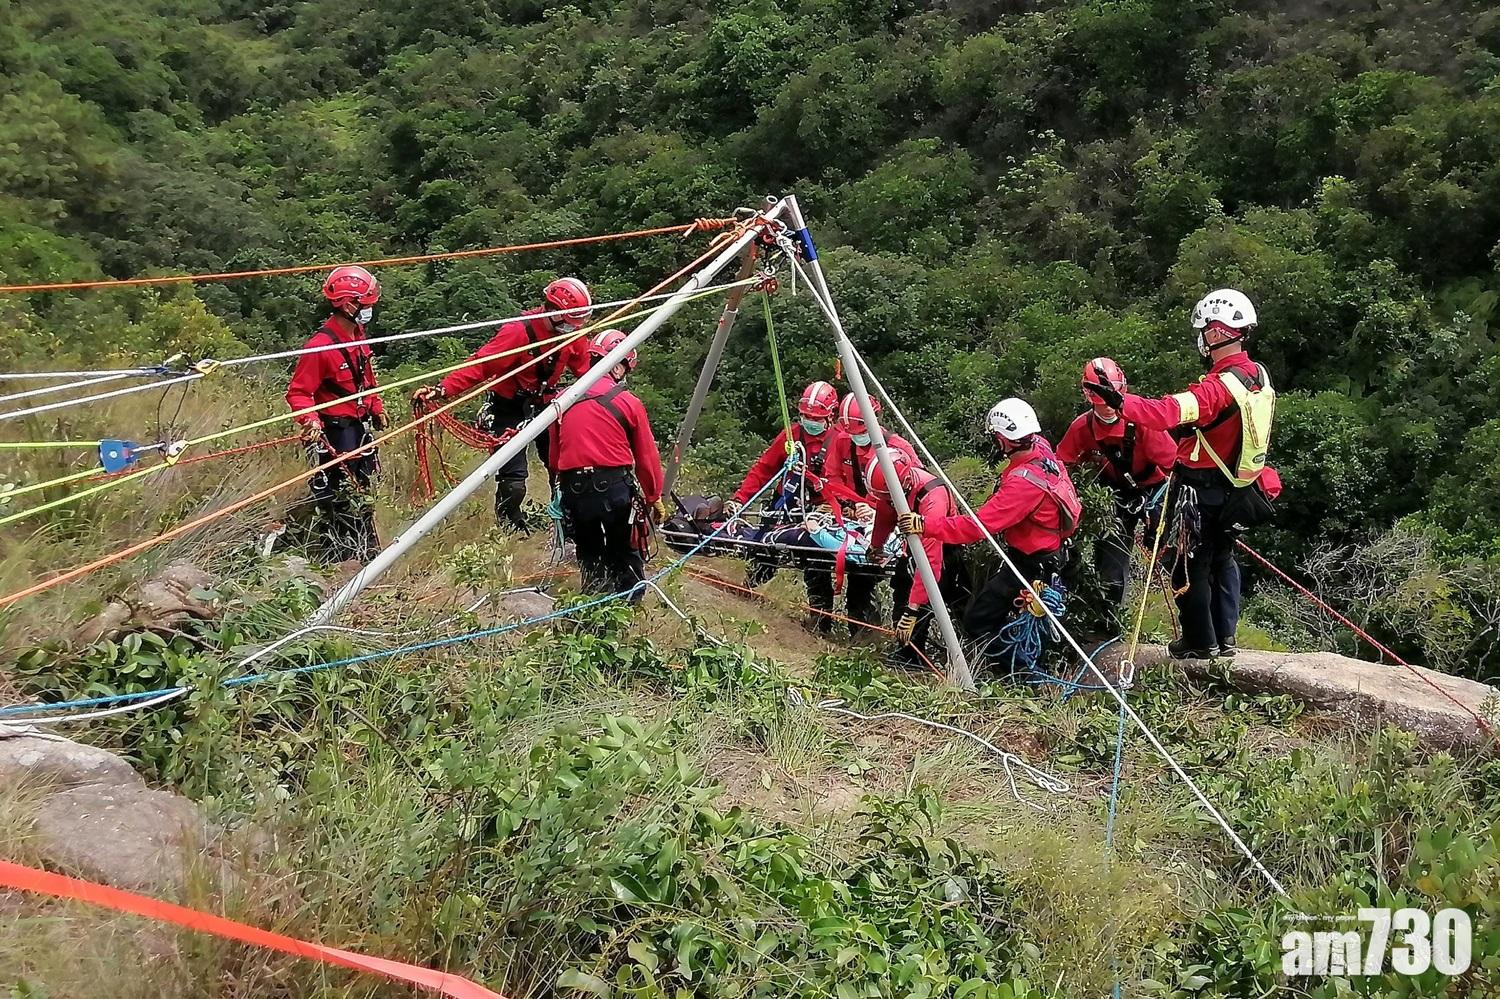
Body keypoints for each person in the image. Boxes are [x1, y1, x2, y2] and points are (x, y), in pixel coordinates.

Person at [1083, 289, 1276, 660]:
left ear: (1218, 333)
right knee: (1223, 559)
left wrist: (1121, 402)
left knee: (1188, 563)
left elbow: (1167, 413)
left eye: (1205, 331)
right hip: (1240, 486)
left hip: (1201, 490)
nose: (1202, 339)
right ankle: (1226, 638)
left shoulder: (1217, 388)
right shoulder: (1258, 376)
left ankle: (1200, 642)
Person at [897, 398, 1081, 657]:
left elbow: (976, 528)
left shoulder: (1023, 487)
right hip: (1051, 555)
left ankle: (1021, 673)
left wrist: (925, 525)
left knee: (978, 621)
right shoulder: (1041, 449)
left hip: (1031, 563)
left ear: (1004, 439)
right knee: (991, 606)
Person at [414, 277, 594, 530]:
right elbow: (482, 365)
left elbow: (585, 370)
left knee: (563, 467)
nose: (573, 327)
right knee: (514, 479)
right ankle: (509, 525)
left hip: (546, 405)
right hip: (508, 408)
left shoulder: (572, 335)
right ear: (553, 311)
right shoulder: (518, 331)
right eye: (569, 321)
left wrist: (607, 395)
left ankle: (566, 518)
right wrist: (444, 389)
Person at [549, 329, 665, 599]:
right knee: (625, 551)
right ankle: (627, 608)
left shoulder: (563, 400)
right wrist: (653, 495)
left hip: (574, 489)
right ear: (618, 365)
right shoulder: (628, 402)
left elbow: (556, 458)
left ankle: (591, 604)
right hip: (614, 488)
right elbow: (646, 457)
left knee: (589, 552)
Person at [1057, 358, 1176, 619]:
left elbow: (1174, 467)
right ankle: (1110, 620)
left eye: (1111, 400)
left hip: (1155, 492)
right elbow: (1062, 467)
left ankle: (1196, 625)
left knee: (1174, 556)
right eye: (1101, 402)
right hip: (1114, 497)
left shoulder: (1143, 423)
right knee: (1110, 566)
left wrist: (1162, 509)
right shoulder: (1083, 428)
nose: (1108, 408)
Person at [286, 265, 387, 563]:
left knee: (362, 490)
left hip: (358, 426)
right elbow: (299, 393)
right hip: (335, 430)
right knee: (341, 495)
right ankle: (340, 558)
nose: (370, 309)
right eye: (366, 304)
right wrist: (310, 421)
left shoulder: (357, 334)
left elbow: (365, 377)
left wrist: (376, 406)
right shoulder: (319, 348)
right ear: (348, 304)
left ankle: (366, 554)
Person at [726, 380, 845, 633]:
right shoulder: (791, 436)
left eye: (816, 417)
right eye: (805, 416)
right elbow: (763, 469)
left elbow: (846, 484)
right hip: (785, 505)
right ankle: (746, 591)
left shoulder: (840, 442)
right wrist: (739, 499)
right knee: (763, 549)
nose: (809, 421)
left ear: (830, 416)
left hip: (820, 512)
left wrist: (837, 509)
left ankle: (821, 620)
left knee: (817, 564)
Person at [822, 393, 922, 633]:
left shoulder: (898, 449)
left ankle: (879, 633)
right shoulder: (843, 441)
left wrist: (874, 507)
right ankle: (852, 628)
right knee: (852, 573)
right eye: (851, 432)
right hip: (853, 519)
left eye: (859, 432)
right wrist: (850, 505)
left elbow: (913, 490)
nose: (856, 437)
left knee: (885, 577)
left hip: (891, 522)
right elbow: (832, 477)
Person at [865, 450, 970, 667]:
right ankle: (909, 653)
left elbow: (930, 562)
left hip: (944, 551)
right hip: (914, 547)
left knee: (954, 604)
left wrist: (912, 610)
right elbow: (886, 514)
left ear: (901, 486)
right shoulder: (893, 488)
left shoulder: (933, 498)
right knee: (902, 590)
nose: (885, 500)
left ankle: (971, 654)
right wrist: (876, 545)